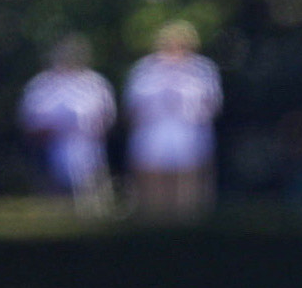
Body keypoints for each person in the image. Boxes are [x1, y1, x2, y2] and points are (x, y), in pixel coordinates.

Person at [124, 21, 222, 218]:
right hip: (152, 138)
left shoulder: (203, 69)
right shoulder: (143, 70)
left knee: (189, 195)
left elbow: (212, 105)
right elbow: (132, 107)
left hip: (190, 137)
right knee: (152, 197)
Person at [18, 35, 115, 214]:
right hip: (50, 151)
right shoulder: (41, 85)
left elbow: (107, 119)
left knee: (92, 204)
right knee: (54, 205)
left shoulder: (95, 83)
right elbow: (30, 123)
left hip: (88, 151)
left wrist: (87, 125)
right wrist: (59, 126)